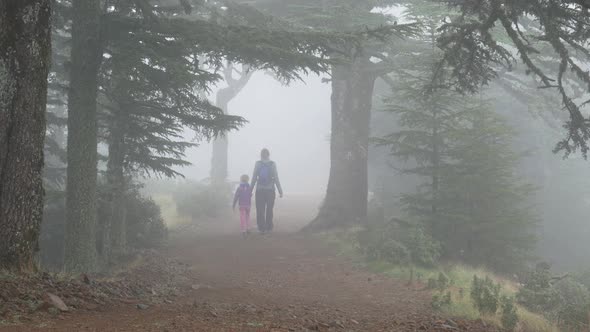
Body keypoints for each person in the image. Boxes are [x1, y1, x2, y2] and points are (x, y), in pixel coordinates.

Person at [251, 148, 283, 234]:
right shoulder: (272, 164)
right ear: (269, 155)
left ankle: (261, 228)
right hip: (270, 190)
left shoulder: (258, 164)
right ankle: (269, 227)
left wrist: (250, 190)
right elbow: (276, 177)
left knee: (260, 209)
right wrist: (280, 190)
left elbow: (254, 177)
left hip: (260, 189)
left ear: (261, 155)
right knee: (269, 209)